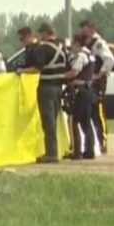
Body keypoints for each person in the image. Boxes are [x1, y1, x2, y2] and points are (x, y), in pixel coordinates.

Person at [32, 23, 68, 163]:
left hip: (46, 89)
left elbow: (37, 68)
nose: (40, 36)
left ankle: (51, 154)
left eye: (41, 34)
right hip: (59, 88)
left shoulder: (43, 48)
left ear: (46, 33)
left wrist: (22, 71)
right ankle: (54, 151)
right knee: (53, 121)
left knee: (48, 123)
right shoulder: (62, 49)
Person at [80, 20, 114, 154]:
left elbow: (110, 59)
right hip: (87, 82)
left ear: (91, 28)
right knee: (88, 113)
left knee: (98, 113)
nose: (83, 31)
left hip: (97, 83)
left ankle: (103, 142)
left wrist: (99, 74)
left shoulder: (98, 43)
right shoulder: (85, 42)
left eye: (85, 28)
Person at [65, 34, 97, 160]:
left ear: (78, 43)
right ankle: (89, 151)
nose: (72, 47)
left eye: (73, 44)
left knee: (74, 121)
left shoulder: (81, 56)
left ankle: (77, 152)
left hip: (81, 92)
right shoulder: (90, 55)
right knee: (86, 122)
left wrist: (61, 76)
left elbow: (74, 72)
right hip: (88, 91)